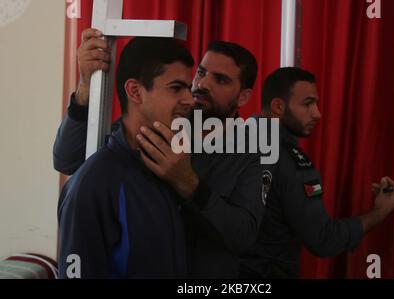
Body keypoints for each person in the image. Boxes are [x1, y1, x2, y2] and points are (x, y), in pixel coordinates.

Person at [54, 29, 264, 278]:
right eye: (201, 73)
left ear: (244, 97)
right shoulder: (158, 127)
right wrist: (86, 90)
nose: (201, 86)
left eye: (220, 80)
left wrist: (188, 183)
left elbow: (244, 236)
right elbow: (69, 160)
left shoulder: (253, 150)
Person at [239, 67, 394, 278]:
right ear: (278, 106)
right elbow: (323, 239)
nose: (317, 113)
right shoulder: (292, 163)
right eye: (307, 104)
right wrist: (380, 211)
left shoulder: (234, 140)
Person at [57, 37, 195, 278]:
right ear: (135, 91)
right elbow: (65, 159)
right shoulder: (94, 185)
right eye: (176, 88)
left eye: (189, 88)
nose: (190, 100)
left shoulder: (173, 165)